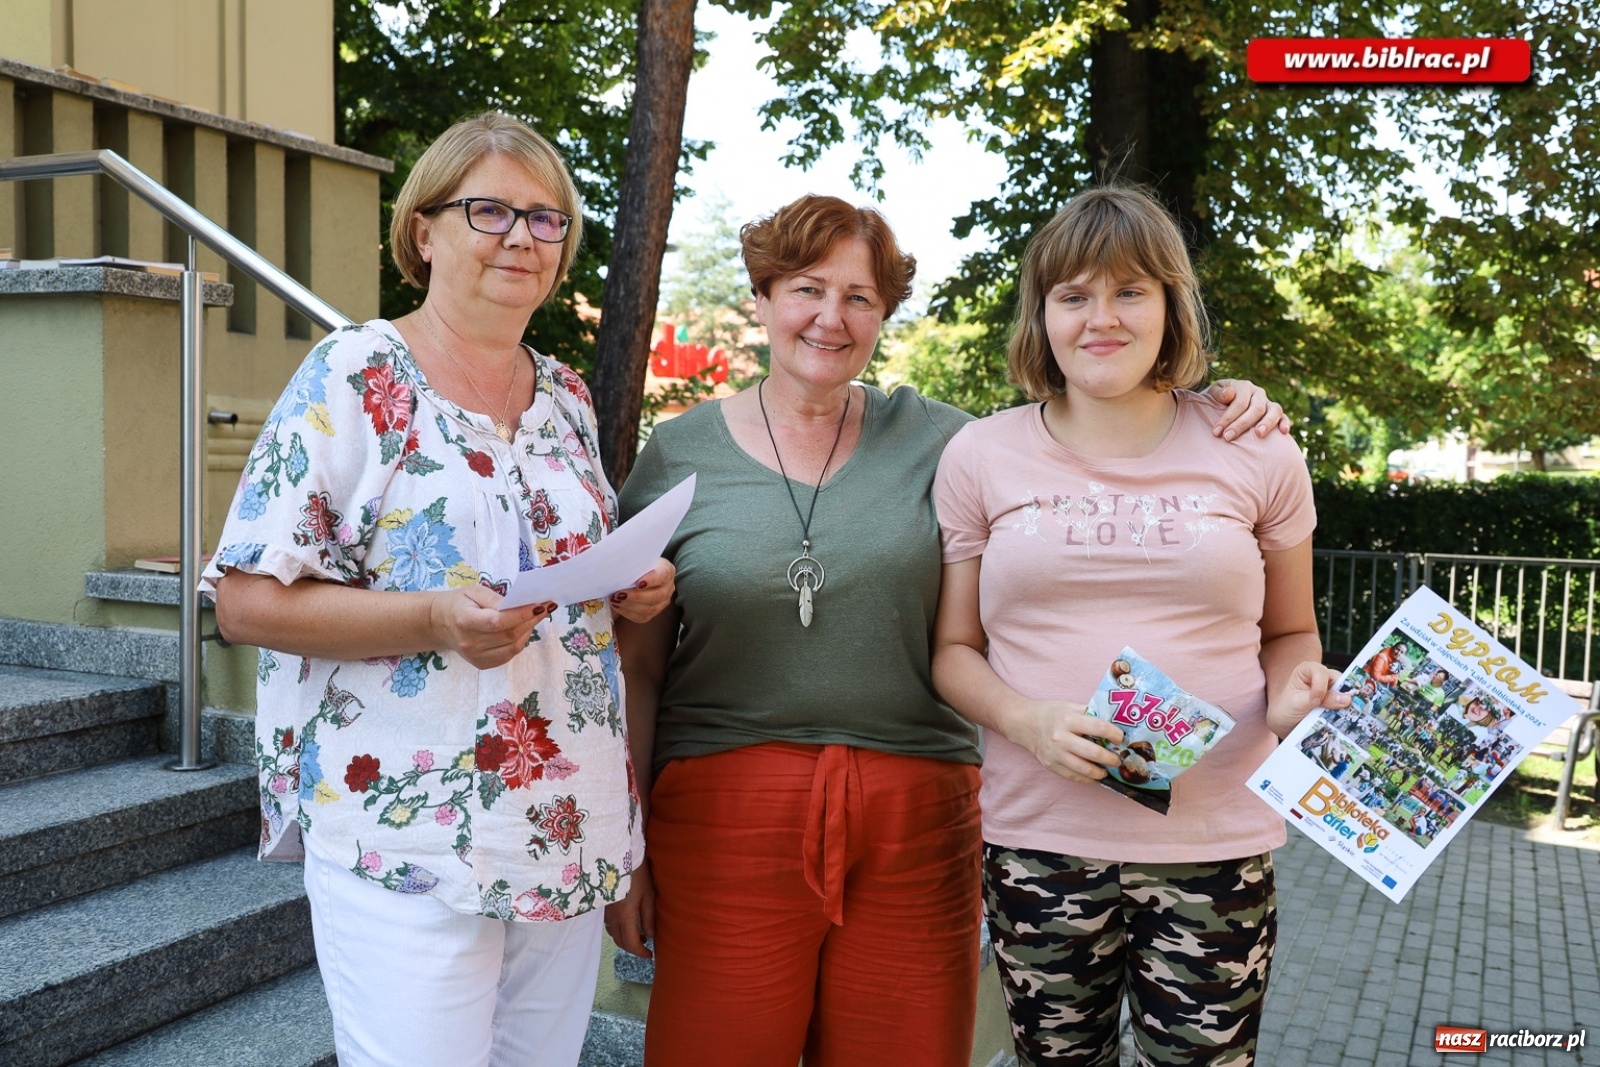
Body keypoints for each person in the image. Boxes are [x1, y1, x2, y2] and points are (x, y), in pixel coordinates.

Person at [604, 194, 1290, 1067]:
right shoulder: (679, 454)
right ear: (763, 298)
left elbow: (1093, 430)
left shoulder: (946, 443)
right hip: (727, 810)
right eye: (806, 289)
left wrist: (1221, 401)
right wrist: (625, 844)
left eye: (859, 296)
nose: (830, 316)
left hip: (918, 808)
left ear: (885, 315)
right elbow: (636, 668)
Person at [203, 112, 674, 1067]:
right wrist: (433, 618)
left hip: (563, 818)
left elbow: (567, 574)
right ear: (424, 231)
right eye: (489, 209)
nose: (520, 238)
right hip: (412, 827)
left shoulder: (568, 397)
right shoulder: (359, 371)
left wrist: (632, 587)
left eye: (547, 220)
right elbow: (246, 600)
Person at [929, 184, 1346, 1066]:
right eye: (1073, 295)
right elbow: (954, 651)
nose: (1100, 318)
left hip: (1215, 846)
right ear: (1041, 315)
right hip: (1037, 843)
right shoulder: (980, 455)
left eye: (1129, 292)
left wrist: (1292, 696)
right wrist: (1025, 721)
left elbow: (1292, 633)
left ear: (1170, 304)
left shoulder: (1257, 446)